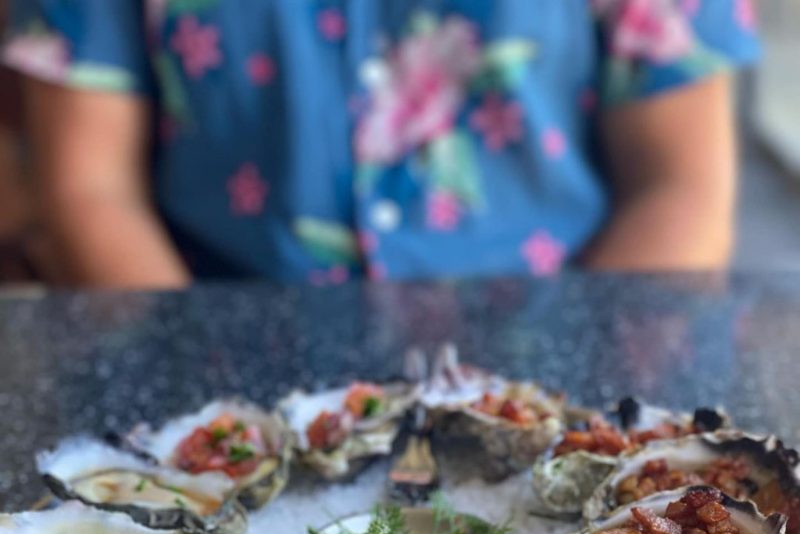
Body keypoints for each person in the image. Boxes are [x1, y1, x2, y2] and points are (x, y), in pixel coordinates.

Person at [2, 1, 759, 288]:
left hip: (559, 347)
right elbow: (90, 189)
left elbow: (682, 190)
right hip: (214, 342)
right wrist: (211, 425)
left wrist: (566, 414)